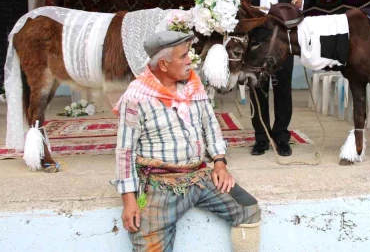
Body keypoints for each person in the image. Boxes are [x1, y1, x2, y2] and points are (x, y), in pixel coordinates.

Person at [111, 30, 261, 252]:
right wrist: (129, 200)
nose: (190, 61)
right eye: (183, 56)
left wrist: (219, 163)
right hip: (160, 186)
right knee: (149, 244)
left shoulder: (193, 85)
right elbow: (125, 151)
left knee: (248, 208)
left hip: (199, 177)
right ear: (163, 65)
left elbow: (210, 125)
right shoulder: (136, 97)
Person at [230, 0, 310, 157]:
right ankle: (261, 138)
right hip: (256, 31)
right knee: (258, 87)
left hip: (282, 33)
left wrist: (300, 0)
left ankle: (282, 137)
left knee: (283, 87)